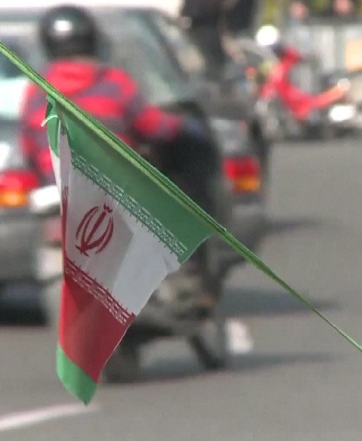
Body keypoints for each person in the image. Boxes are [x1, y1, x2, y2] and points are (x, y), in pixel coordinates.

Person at [19, 4, 221, 308]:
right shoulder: (114, 83)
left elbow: (27, 147)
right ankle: (183, 276)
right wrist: (183, 127)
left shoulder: (35, 92)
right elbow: (152, 125)